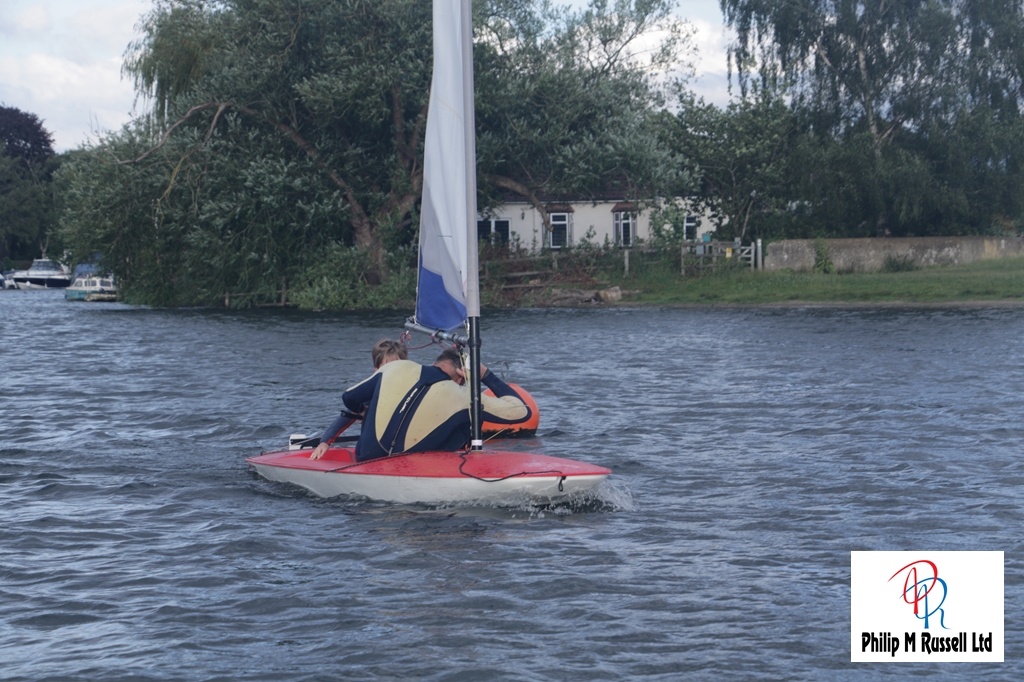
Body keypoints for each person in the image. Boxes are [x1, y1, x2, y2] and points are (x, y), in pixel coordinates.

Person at [310, 347, 531, 462]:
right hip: (410, 464)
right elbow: (522, 412)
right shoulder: (462, 394)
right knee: (469, 417)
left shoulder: (396, 368)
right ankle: (461, 458)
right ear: (461, 375)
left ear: (436, 362)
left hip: (365, 456)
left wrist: (366, 413)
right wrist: (483, 375)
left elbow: (349, 399)